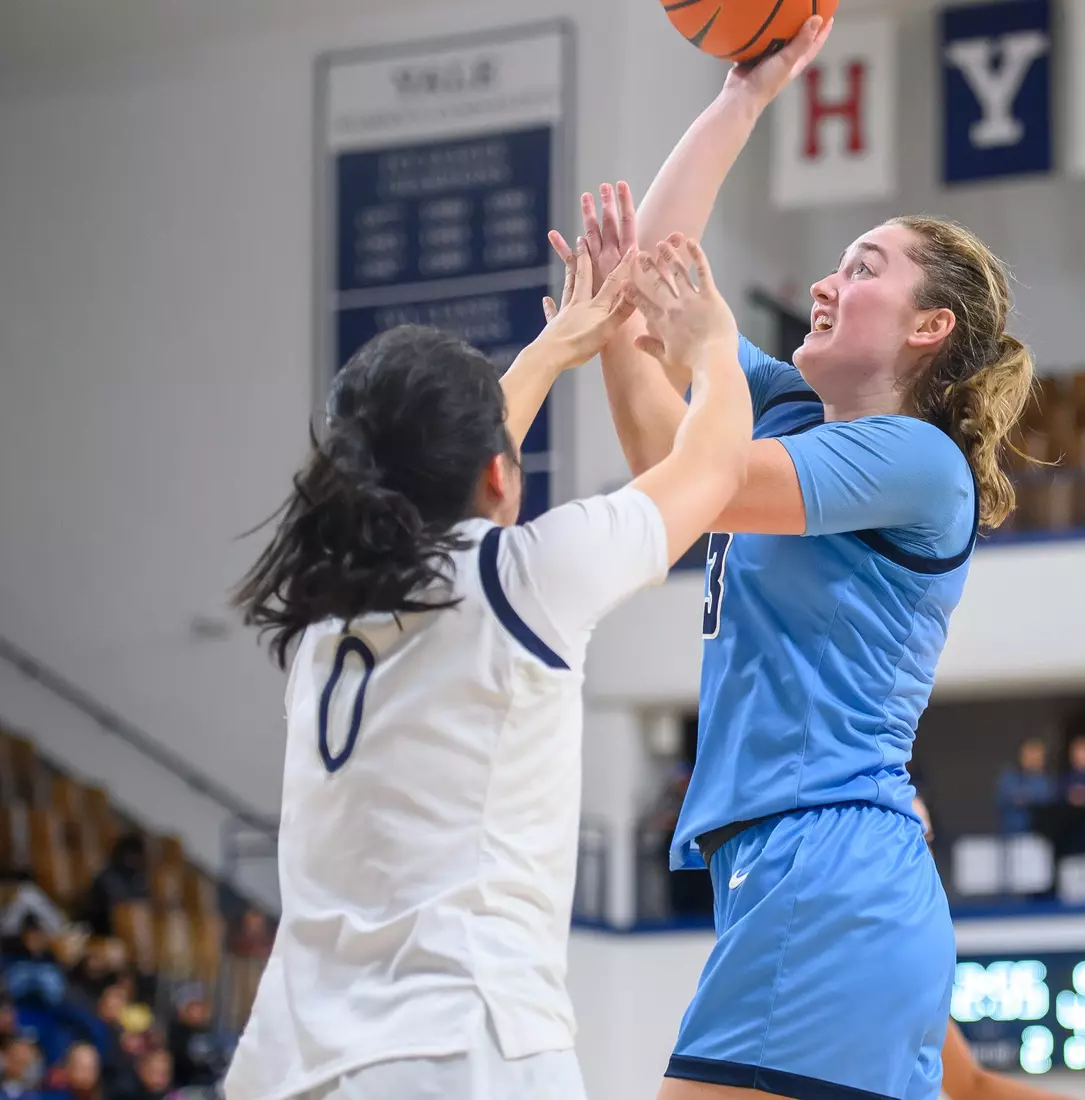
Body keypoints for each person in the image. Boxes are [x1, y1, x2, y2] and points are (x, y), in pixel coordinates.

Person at [572, 17, 1035, 1100]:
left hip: (828, 871)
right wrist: (745, 97)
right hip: (800, 876)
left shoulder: (919, 460)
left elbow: (709, 472)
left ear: (928, 328)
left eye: (861, 268)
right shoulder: (781, 408)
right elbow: (666, 455)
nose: (825, 285)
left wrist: (676, 333)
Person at [223, 212, 754, 1100]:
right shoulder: (523, 580)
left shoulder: (324, 622)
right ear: (502, 474)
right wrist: (716, 347)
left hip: (291, 1065)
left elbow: (424, 474)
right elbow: (713, 470)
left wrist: (552, 350)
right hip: (459, 1048)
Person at [906, 796, 1085, 1100]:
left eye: (928, 836)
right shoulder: (886, 958)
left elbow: (972, 1085)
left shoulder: (910, 960)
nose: (924, 849)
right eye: (915, 834)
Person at [996, 738, 1057, 835]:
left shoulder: (1048, 783)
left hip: (1038, 837)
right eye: (1029, 754)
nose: (1032, 759)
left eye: (1036, 755)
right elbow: (1002, 800)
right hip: (1010, 836)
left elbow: (1047, 802)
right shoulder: (1009, 778)